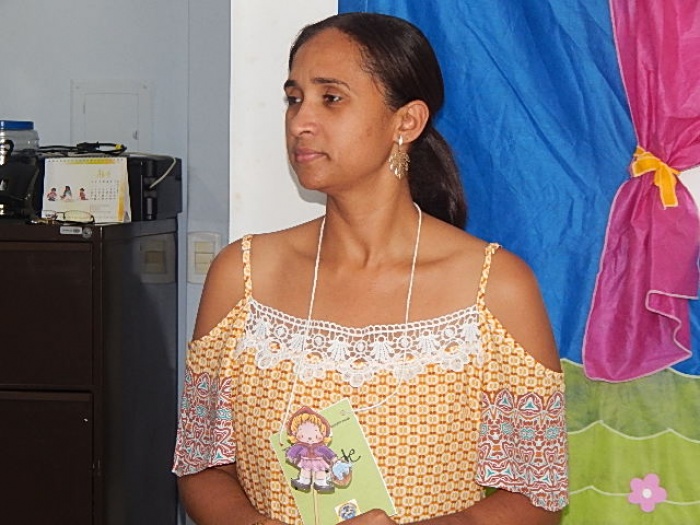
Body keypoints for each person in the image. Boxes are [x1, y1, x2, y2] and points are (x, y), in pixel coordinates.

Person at [173, 12, 568, 525]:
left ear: (406, 122)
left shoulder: (494, 287)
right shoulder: (243, 275)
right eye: (294, 99)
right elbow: (202, 464)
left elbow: (536, 493)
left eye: (331, 98)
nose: (300, 122)